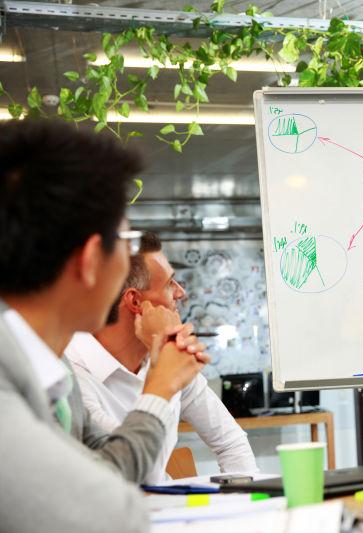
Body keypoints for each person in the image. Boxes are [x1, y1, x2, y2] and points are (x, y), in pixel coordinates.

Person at [0, 119, 209, 532]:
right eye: (127, 244)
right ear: (92, 259)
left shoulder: (54, 373)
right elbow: (108, 512)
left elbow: (109, 470)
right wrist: (159, 388)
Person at [66, 231, 258, 483]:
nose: (181, 293)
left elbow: (231, 443)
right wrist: (164, 368)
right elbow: (143, 471)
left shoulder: (167, 357)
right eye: (170, 283)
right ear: (136, 301)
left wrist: (243, 503)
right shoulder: (72, 373)